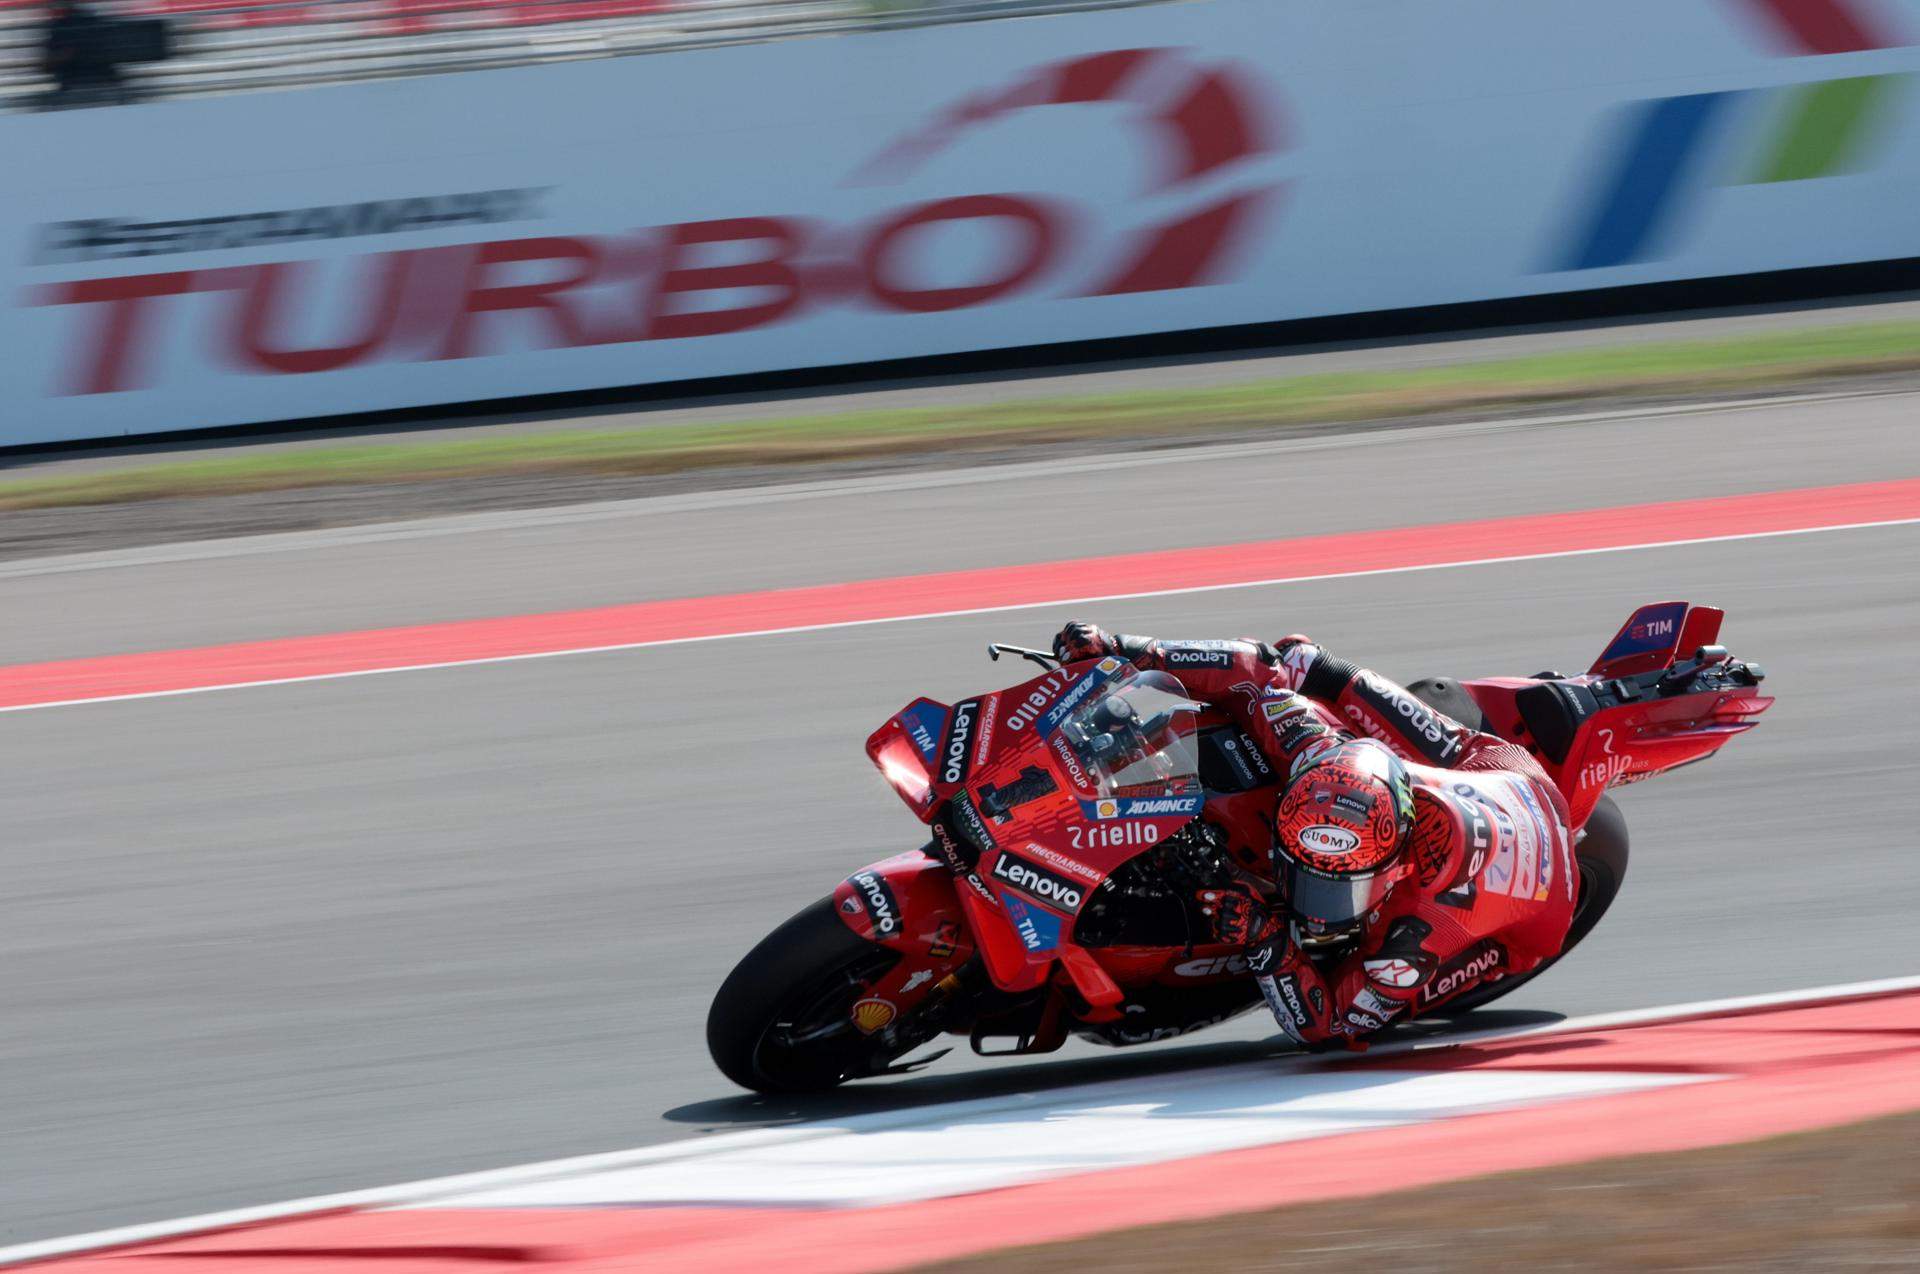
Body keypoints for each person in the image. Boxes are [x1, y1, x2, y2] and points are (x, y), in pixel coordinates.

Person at [1051, 621, 1577, 1049]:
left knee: (1372, 997)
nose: (1315, 905)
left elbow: (1330, 1026)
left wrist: (1265, 938)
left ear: (1394, 863)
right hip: (1498, 770)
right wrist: (1125, 649)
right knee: (1305, 663)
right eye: (1304, 875)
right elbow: (1253, 668)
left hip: (1537, 910)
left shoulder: (1423, 926)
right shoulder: (1310, 746)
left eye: (1335, 886)